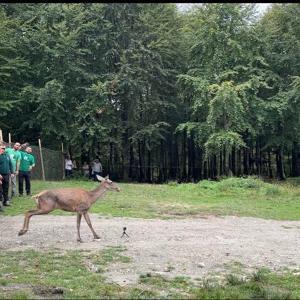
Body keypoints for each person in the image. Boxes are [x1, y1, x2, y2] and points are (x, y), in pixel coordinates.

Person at [0, 144, 14, 210]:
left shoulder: (7, 155)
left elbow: (10, 164)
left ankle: (6, 201)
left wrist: (12, 172)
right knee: (0, 189)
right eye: (2, 148)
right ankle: (0, 203)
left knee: (6, 188)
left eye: (4, 148)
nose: (3, 149)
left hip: (6, 174)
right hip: (0, 175)